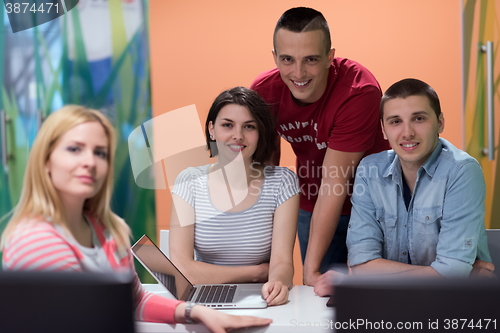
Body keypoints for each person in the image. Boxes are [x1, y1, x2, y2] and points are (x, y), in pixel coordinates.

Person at [0, 105, 272, 332]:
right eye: (74, 149)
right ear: (46, 160)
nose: (90, 162)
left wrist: (195, 311)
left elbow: (134, 300)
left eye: (100, 153)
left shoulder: (104, 229)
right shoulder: (36, 242)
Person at [250, 7, 390, 288]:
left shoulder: (358, 91)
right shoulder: (264, 92)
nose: (298, 72)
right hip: (312, 201)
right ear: (275, 57)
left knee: (379, 295)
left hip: (374, 205)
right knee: (322, 298)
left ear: (329, 57)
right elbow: (266, 172)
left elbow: (334, 181)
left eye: (311, 59)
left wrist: (308, 271)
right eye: (287, 59)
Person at [346, 78, 494, 279]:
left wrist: (378, 272)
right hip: (389, 302)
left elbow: (450, 275)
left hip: (453, 304)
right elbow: (360, 264)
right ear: (383, 129)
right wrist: (446, 272)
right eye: (395, 121)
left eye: (419, 119)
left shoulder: (462, 171)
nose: (407, 133)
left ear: (440, 122)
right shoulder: (369, 171)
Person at [169, 87, 300, 306]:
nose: (237, 135)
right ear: (212, 130)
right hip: (204, 302)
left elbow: (283, 263)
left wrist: (277, 280)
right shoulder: (188, 181)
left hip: (263, 300)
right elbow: (183, 270)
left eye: (249, 127)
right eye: (227, 125)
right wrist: (257, 273)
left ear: (260, 133)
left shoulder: (282, 182)